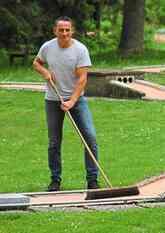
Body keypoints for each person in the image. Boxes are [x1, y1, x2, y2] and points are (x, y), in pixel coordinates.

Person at [33, 16, 99, 191]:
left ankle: (92, 180)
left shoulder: (80, 50)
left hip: (76, 100)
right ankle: (55, 180)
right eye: (61, 30)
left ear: (72, 31)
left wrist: (72, 101)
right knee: (54, 142)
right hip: (53, 100)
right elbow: (36, 63)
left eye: (67, 30)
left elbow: (82, 79)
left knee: (90, 138)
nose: (64, 33)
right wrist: (44, 71)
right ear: (55, 31)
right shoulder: (47, 47)